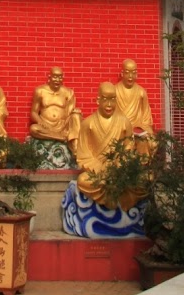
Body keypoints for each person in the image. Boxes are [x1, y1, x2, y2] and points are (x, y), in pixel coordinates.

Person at [77, 82, 144, 210]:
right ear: (98, 100)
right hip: (98, 173)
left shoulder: (124, 122)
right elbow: (83, 153)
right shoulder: (88, 124)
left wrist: (118, 165)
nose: (109, 105)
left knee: (144, 179)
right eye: (105, 99)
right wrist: (102, 169)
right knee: (83, 180)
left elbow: (128, 148)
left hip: (119, 170)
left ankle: (117, 197)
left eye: (112, 100)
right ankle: (111, 198)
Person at [30, 66, 81, 155]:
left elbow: (70, 113)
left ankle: (76, 148)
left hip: (62, 126)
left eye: (60, 77)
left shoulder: (68, 92)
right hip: (46, 126)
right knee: (33, 129)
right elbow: (34, 112)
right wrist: (40, 122)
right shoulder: (40, 91)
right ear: (49, 77)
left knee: (76, 116)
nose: (57, 79)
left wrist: (75, 112)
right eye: (55, 76)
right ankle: (60, 138)